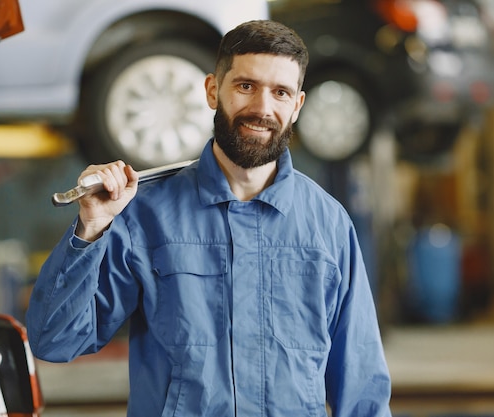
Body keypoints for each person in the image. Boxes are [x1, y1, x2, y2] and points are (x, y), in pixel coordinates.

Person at [26, 19, 392, 416]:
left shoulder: (328, 224)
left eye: (280, 92)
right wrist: (92, 227)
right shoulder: (147, 216)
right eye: (246, 86)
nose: (262, 108)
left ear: (298, 106)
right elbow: (54, 340)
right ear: (213, 91)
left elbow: (361, 387)